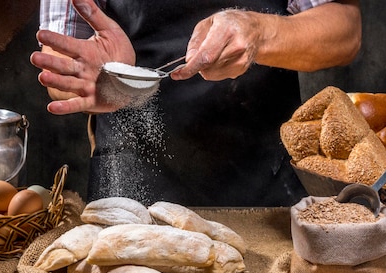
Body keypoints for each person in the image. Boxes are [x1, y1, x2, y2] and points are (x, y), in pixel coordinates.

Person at [30, 0, 361, 207]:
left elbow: (345, 32)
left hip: (267, 181)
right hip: (130, 181)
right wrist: (101, 80)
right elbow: (59, 57)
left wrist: (260, 33)